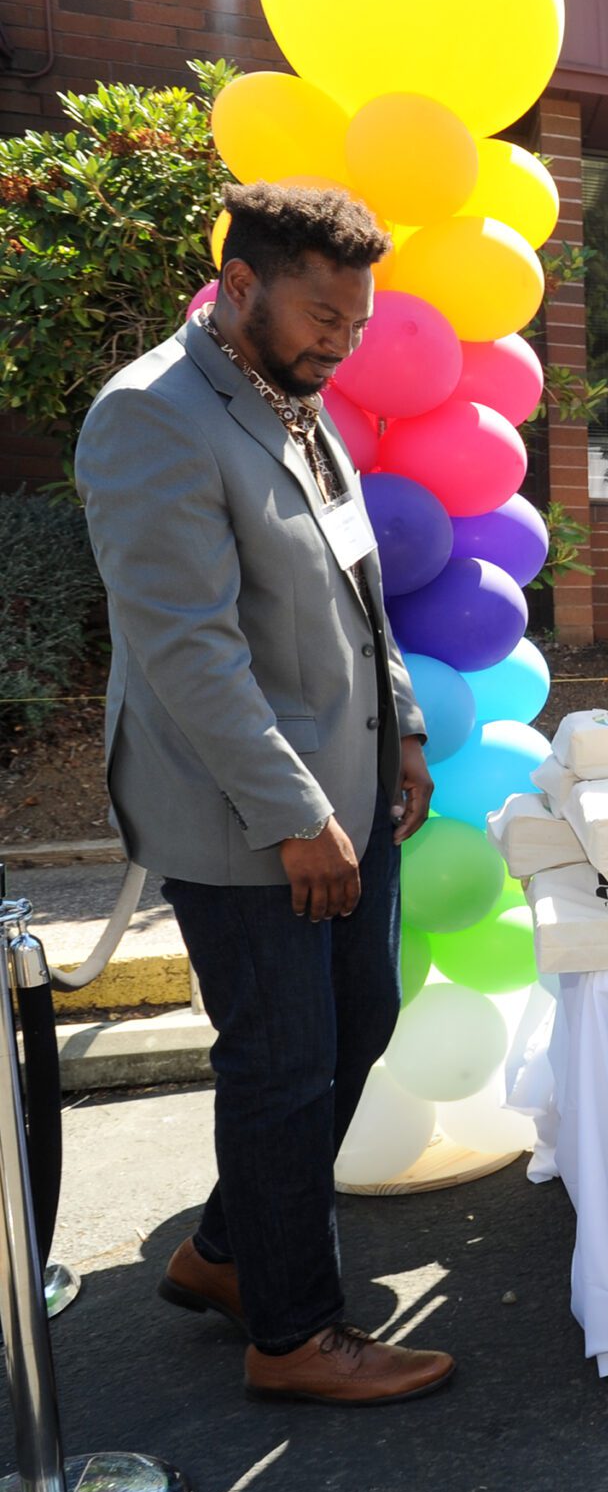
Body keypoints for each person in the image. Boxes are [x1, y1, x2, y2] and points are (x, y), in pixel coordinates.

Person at [77, 182, 453, 1404]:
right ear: (238, 284)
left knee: (360, 1023)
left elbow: (359, 583)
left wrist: (398, 723)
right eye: (321, 312)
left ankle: (231, 1249)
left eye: (356, 319)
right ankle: (292, 1334)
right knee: (284, 1062)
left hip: (348, 779)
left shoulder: (297, 402)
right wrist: (298, 817)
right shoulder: (151, 417)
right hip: (246, 810)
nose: (342, 340)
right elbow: (189, 651)